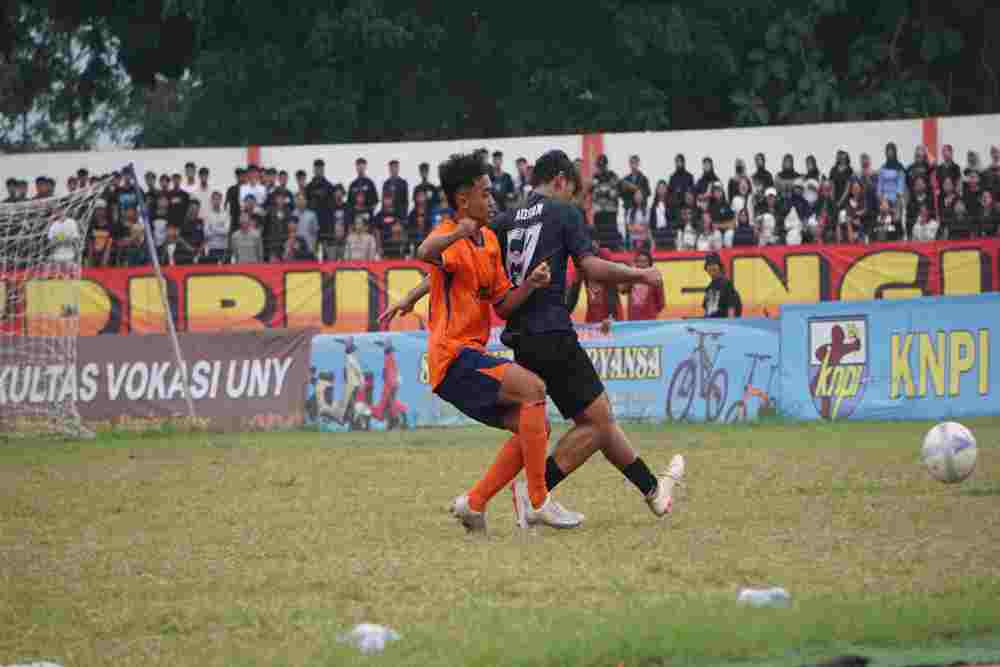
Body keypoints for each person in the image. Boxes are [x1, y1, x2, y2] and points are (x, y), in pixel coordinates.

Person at [381, 150, 685, 525]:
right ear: (560, 182)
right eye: (573, 191)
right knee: (597, 422)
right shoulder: (558, 213)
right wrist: (641, 275)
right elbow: (588, 265)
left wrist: (414, 294)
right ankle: (538, 497)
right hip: (537, 335)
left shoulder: (501, 227)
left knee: (541, 424)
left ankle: (478, 503)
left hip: (520, 337)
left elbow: (477, 277)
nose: (575, 200)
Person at [414, 152, 578, 532]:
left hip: (469, 356)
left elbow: (503, 304)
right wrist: (458, 232)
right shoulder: (449, 235)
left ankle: (474, 504)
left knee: (532, 426)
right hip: (452, 355)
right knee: (534, 388)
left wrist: (531, 285)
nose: (492, 200)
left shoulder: (489, 241)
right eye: (485, 194)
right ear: (463, 199)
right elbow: (424, 253)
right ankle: (538, 501)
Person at [703, 252, 742, 318]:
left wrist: (729, 325)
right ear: (706, 269)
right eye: (709, 265)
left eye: (714, 264)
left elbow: (731, 307)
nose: (711, 267)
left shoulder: (727, 284)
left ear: (719, 267)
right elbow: (707, 311)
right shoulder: (708, 288)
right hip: (711, 325)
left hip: (722, 325)